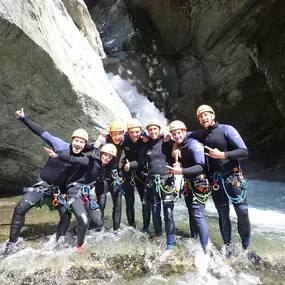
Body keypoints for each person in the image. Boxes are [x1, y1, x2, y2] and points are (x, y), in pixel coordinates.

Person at [4, 108, 89, 256]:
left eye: (82, 142)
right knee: (20, 208)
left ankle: (57, 244)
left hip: (59, 192)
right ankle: (12, 244)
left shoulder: (82, 159)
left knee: (66, 216)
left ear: (85, 145)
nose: (78, 144)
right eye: (76, 140)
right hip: (42, 186)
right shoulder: (59, 145)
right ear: (71, 140)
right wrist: (23, 118)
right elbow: (42, 132)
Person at [195, 104, 251, 257]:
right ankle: (227, 248)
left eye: (206, 115)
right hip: (216, 181)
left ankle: (246, 248)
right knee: (223, 215)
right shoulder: (200, 135)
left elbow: (244, 151)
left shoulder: (227, 129)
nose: (203, 118)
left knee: (242, 212)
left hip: (233, 177)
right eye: (200, 116)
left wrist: (223, 155)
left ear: (213, 115)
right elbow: (182, 134)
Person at [45, 143, 117, 252]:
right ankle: (79, 246)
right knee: (84, 220)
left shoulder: (105, 169)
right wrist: (57, 156)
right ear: (101, 153)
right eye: (105, 155)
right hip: (74, 192)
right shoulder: (90, 161)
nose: (107, 158)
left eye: (110, 156)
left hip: (85, 194)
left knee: (99, 223)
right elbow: (73, 159)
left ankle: (75, 231)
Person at [134, 118, 177, 255]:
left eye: (155, 129)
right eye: (150, 129)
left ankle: (170, 242)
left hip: (167, 181)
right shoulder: (145, 145)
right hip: (152, 181)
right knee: (155, 210)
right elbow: (140, 161)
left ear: (159, 130)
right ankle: (158, 233)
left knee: (168, 213)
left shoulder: (167, 142)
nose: (153, 131)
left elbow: (180, 146)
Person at [167, 120, 211, 252]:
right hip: (189, 183)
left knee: (197, 214)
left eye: (179, 133)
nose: (177, 136)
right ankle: (194, 241)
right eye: (174, 134)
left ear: (184, 131)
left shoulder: (193, 144)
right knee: (191, 213)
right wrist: (175, 145)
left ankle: (205, 249)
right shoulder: (181, 144)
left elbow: (200, 167)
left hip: (199, 182)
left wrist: (181, 171)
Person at [94, 120, 126, 232]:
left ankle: (116, 230)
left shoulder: (124, 141)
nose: (118, 136)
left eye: (120, 133)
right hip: (102, 175)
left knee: (118, 203)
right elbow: (95, 156)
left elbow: (139, 136)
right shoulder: (104, 141)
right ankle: (98, 228)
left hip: (115, 175)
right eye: (115, 134)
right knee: (101, 202)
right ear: (110, 134)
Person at [122, 118, 150, 229]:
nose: (134, 134)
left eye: (137, 132)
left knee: (145, 201)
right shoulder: (124, 139)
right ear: (127, 132)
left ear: (141, 130)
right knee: (129, 202)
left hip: (141, 173)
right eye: (132, 132)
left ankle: (145, 228)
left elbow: (158, 136)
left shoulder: (144, 138)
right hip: (127, 174)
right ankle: (131, 225)